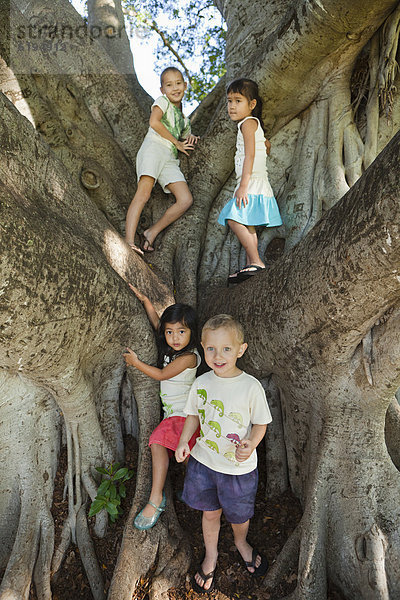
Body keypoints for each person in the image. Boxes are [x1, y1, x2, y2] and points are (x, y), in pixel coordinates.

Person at [175, 314, 272, 593]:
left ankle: (241, 543)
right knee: (210, 512)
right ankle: (211, 554)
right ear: (202, 348)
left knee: (239, 516)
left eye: (226, 349)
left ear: (241, 350)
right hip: (204, 463)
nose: (218, 356)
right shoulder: (202, 383)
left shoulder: (250, 386)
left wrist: (251, 443)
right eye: (211, 349)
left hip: (238, 470)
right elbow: (193, 416)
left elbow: (261, 423)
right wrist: (184, 442)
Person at [123, 284, 201, 529]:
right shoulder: (170, 345)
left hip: (184, 416)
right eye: (170, 333)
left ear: (192, 333)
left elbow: (161, 375)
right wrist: (145, 299)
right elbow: (157, 322)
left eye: (181, 332)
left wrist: (135, 363)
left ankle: (157, 498)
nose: (174, 338)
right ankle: (193, 492)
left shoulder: (189, 357)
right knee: (187, 458)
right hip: (175, 415)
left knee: (159, 444)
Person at [125, 67, 199, 255]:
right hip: (153, 149)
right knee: (143, 194)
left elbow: (186, 134)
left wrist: (191, 138)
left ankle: (151, 232)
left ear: (185, 85)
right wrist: (177, 142)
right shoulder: (162, 102)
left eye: (178, 83)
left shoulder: (184, 119)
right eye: (169, 85)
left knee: (185, 199)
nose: (175, 88)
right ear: (162, 90)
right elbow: (154, 122)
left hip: (169, 158)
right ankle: (129, 241)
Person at [218, 78, 282, 284]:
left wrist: (243, 185)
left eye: (238, 101)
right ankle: (251, 264)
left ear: (251, 105)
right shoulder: (253, 125)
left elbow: (250, 155)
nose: (232, 106)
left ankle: (256, 260)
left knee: (233, 218)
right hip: (254, 179)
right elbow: (264, 145)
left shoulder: (247, 123)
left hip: (251, 180)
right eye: (229, 101)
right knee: (248, 224)